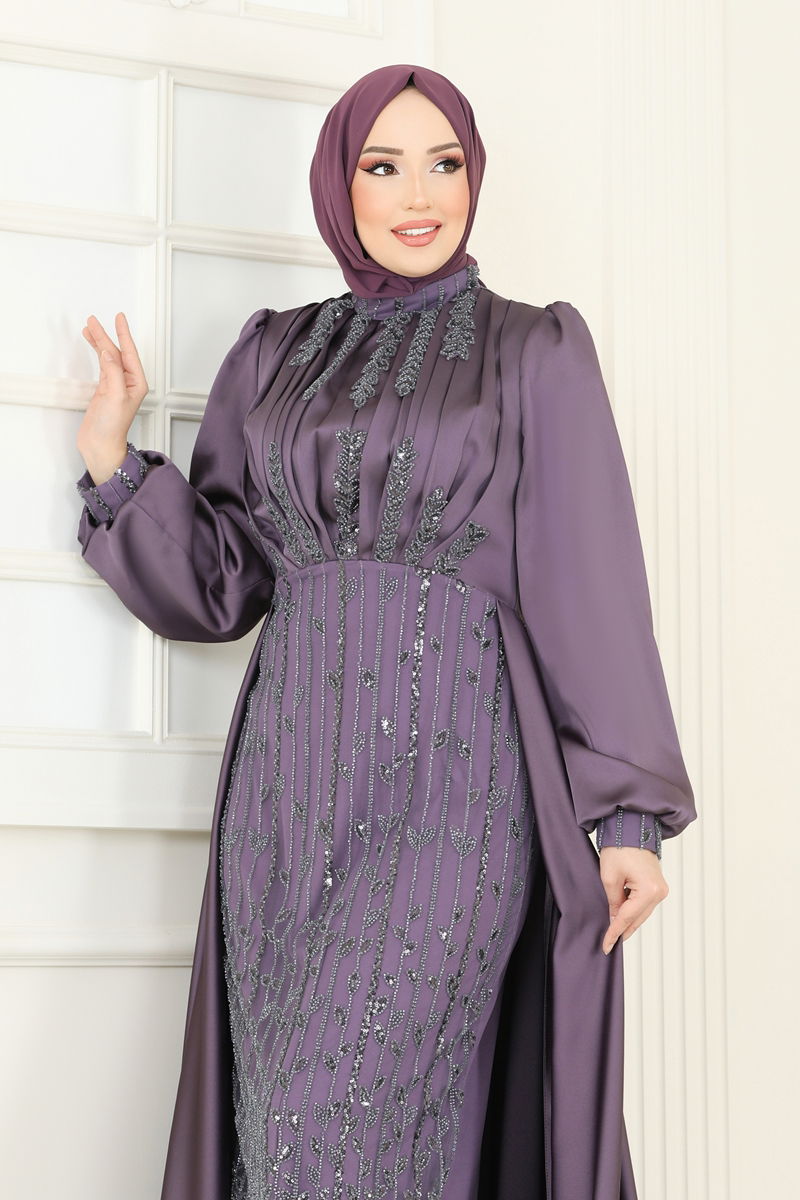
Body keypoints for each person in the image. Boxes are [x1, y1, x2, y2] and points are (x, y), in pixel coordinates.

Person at [74, 64, 696, 1200]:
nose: (420, 194)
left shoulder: (532, 351)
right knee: (283, 1142)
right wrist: (113, 459)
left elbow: (591, 582)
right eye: (383, 165)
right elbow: (224, 585)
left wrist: (628, 819)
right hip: (284, 811)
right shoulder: (273, 356)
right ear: (338, 183)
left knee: (346, 1129)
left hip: (456, 806)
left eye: (444, 163)